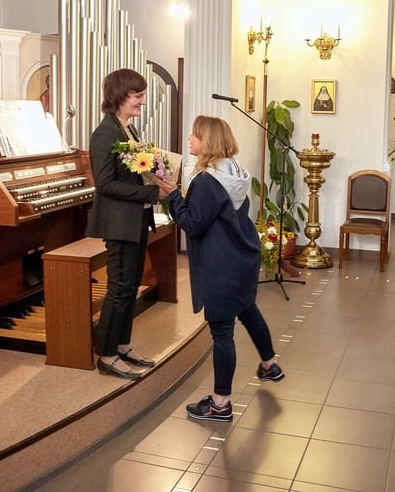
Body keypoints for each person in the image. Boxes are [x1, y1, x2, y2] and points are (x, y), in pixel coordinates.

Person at [154, 116, 284, 421]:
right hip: (242, 257)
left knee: (223, 334)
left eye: (195, 135)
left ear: (208, 141)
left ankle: (220, 404)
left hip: (220, 264)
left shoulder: (206, 181)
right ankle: (269, 365)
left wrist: (173, 195)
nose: (190, 138)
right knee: (248, 310)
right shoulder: (234, 170)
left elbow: (193, 224)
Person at [87, 68, 167, 379]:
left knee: (131, 286)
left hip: (135, 219)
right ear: (120, 95)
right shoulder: (106, 133)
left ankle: (122, 345)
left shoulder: (128, 129)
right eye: (138, 95)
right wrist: (152, 192)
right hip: (119, 222)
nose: (142, 101)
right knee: (119, 288)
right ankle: (106, 355)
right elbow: (105, 184)